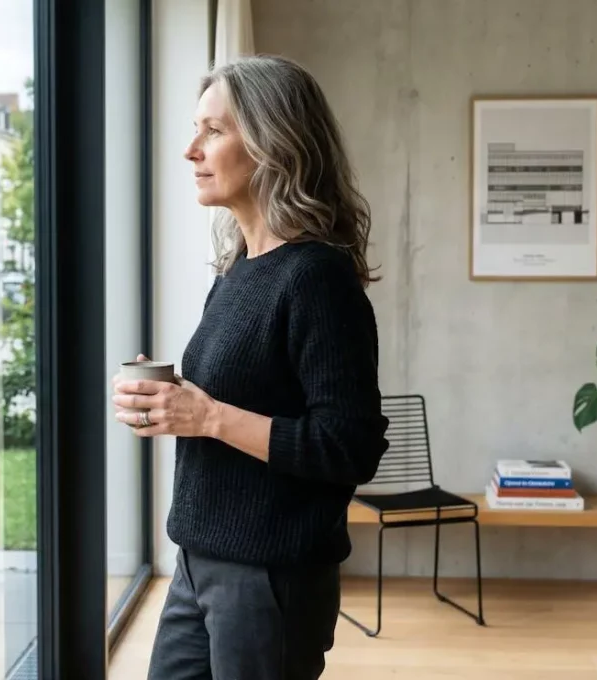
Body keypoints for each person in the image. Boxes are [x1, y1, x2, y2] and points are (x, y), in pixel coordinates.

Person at [110, 54, 389, 679]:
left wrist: (207, 416)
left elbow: (350, 447)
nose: (190, 150)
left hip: (271, 578)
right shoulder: (238, 271)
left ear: (273, 143)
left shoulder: (317, 278)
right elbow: (244, 399)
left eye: (214, 131)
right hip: (197, 560)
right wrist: (170, 400)